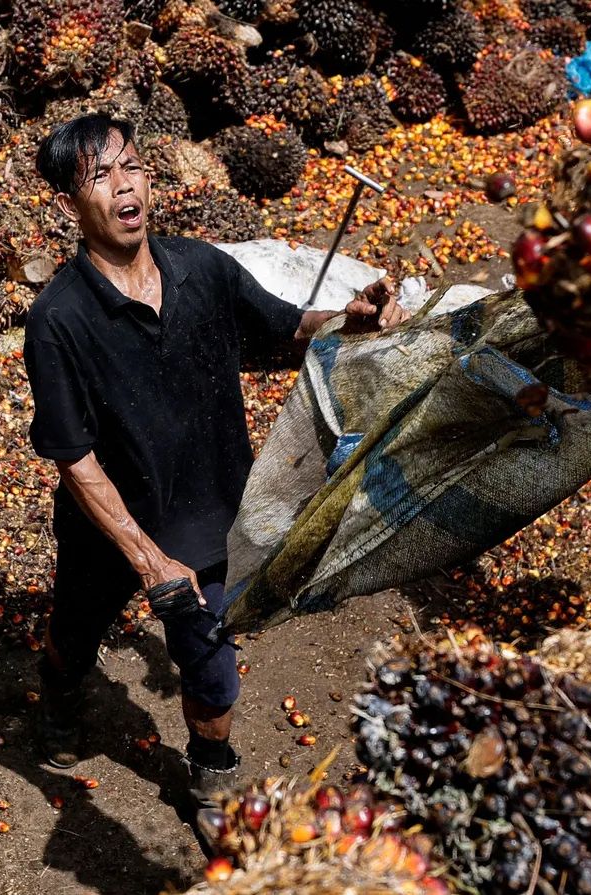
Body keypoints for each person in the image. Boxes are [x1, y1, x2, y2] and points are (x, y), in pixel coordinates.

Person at [22, 113, 408, 812]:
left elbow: (287, 324)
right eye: (100, 176)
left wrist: (345, 319)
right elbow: (74, 458)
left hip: (208, 516)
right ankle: (59, 698)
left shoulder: (201, 266)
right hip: (107, 528)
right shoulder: (59, 318)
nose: (123, 186)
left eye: (131, 166)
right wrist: (146, 560)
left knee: (211, 664)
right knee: (75, 632)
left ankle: (210, 779)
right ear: (69, 203)